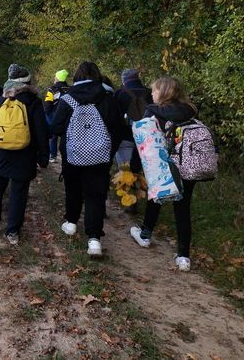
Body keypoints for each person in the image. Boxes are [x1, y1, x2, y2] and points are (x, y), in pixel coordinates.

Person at [51, 62, 123, 256]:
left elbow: (56, 127)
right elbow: (118, 129)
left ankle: (71, 223)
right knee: (95, 195)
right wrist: (108, 151)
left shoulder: (68, 99)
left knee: (73, 189)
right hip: (100, 155)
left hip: (72, 154)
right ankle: (94, 239)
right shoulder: (107, 98)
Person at [129, 76, 198, 271]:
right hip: (187, 163)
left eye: (155, 90)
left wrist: (135, 166)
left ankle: (145, 235)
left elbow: (144, 139)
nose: (152, 93)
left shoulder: (153, 111)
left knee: (156, 197)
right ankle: (184, 257)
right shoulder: (190, 110)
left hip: (164, 163)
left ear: (164, 92)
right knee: (183, 208)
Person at [0, 64, 49, 245]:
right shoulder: (34, 102)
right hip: (25, 154)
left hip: (1, 152)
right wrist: (43, 157)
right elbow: (41, 131)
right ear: (27, 82)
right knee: (19, 192)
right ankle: (12, 231)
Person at [114, 69, 153, 212]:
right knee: (141, 169)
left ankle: (130, 203)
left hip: (126, 137)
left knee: (125, 170)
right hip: (147, 138)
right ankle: (149, 199)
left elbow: (115, 117)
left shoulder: (120, 93)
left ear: (124, 80)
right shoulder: (150, 93)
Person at [44, 69, 70, 163]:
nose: (54, 78)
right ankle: (66, 157)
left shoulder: (52, 89)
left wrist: (48, 115)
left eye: (55, 76)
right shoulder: (70, 89)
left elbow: (47, 104)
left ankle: (53, 156)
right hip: (67, 116)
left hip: (54, 115)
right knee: (66, 136)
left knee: (53, 136)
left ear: (58, 78)